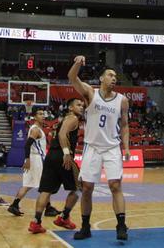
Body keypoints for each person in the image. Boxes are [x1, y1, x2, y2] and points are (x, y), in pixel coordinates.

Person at [68, 54, 129, 241]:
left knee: (115, 185)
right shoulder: (90, 93)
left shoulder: (122, 100)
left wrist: (126, 147)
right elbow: (72, 78)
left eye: (115, 77)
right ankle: (85, 226)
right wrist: (77, 63)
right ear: (102, 78)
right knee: (86, 188)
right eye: (110, 75)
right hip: (92, 147)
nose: (114, 79)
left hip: (111, 147)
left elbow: (125, 125)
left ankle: (121, 225)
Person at [28, 98, 84, 235]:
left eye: (82, 105)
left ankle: (36, 222)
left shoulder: (63, 119)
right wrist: (66, 152)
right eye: (78, 105)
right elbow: (61, 134)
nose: (82, 107)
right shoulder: (73, 119)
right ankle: (64, 217)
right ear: (71, 108)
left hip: (51, 155)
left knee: (45, 191)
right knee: (79, 187)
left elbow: (60, 136)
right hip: (63, 157)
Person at [8, 107, 47, 216]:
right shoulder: (35, 130)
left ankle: (14, 205)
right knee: (44, 185)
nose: (43, 115)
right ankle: (48, 208)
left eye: (43, 113)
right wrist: (27, 160)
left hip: (34, 158)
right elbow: (27, 145)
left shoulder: (36, 128)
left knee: (27, 184)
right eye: (40, 113)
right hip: (36, 159)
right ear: (34, 116)